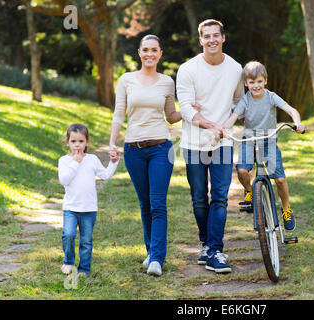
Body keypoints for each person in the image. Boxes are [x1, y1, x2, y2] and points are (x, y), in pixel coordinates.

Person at [109, 34, 181, 276]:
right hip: (133, 150)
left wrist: (192, 110)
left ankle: (157, 259)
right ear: (139, 53)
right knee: (145, 204)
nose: (150, 54)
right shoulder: (127, 80)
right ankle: (151, 251)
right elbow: (119, 113)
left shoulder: (167, 82)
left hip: (161, 149)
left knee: (158, 203)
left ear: (160, 53)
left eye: (154, 50)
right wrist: (112, 143)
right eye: (145, 50)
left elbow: (171, 115)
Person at [176, 19, 244, 274]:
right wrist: (209, 125)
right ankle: (205, 244)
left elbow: (239, 102)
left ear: (223, 38)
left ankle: (215, 250)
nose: (212, 40)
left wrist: (225, 125)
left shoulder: (235, 68)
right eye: (207, 36)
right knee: (198, 199)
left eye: (216, 35)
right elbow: (185, 109)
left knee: (220, 197)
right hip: (194, 143)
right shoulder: (188, 69)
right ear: (200, 40)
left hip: (223, 143)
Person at [222, 61, 305, 231]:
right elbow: (234, 116)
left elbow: (291, 110)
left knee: (280, 180)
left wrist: (297, 123)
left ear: (265, 81)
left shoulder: (271, 97)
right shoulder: (245, 100)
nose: (256, 86)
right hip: (249, 140)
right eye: (251, 82)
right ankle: (249, 192)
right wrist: (224, 129)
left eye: (259, 81)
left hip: (269, 140)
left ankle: (286, 209)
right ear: (246, 83)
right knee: (242, 170)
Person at [58, 123, 120, 276]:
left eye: (81, 141)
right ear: (68, 142)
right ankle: (68, 262)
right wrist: (75, 163)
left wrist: (114, 162)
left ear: (87, 142)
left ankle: (84, 268)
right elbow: (64, 180)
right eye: (73, 141)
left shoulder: (92, 159)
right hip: (71, 208)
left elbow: (104, 175)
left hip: (89, 208)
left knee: (86, 240)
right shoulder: (64, 160)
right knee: (69, 234)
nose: (77, 145)